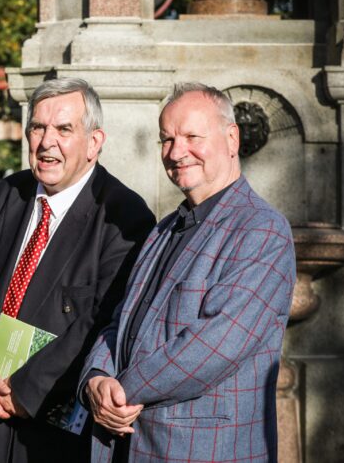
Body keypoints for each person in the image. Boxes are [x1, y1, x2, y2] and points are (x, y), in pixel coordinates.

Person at [80, 83, 296, 462]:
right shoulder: (163, 230)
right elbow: (120, 321)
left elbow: (217, 344)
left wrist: (120, 392)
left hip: (203, 449)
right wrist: (96, 379)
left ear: (232, 139)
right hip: (130, 443)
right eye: (167, 139)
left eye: (192, 136)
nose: (177, 152)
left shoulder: (262, 229)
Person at [0, 78, 155, 462]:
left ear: (94, 142)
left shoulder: (124, 215)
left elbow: (102, 322)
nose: (46, 142)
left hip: (54, 430)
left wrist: (24, 391)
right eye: (37, 127)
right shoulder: (4, 195)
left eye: (64, 129)